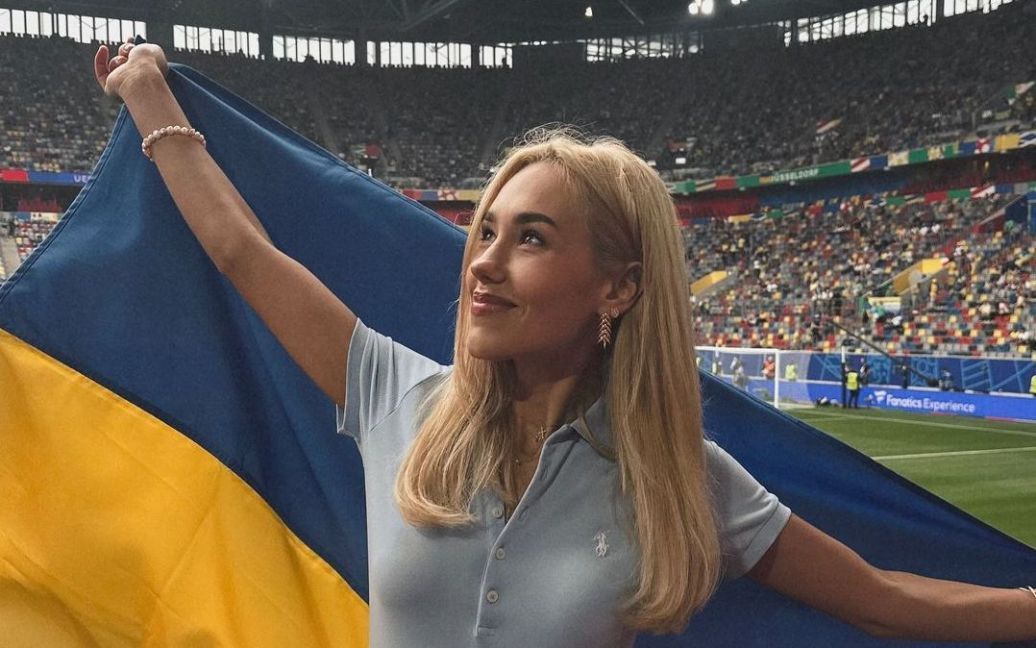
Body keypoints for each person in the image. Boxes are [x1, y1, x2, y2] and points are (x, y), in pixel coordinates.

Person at [94, 40, 1036, 647]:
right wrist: (148, 98)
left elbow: (886, 599)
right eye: (487, 233)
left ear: (618, 287)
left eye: (532, 239)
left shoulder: (681, 480)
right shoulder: (394, 396)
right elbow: (241, 250)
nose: (484, 263)